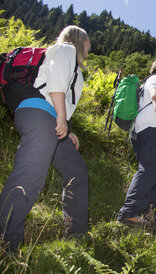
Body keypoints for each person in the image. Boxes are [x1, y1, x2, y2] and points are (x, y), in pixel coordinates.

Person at [0, 25, 91, 252]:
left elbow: (53, 88)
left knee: (76, 169)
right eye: (89, 41)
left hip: (48, 116)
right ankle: (5, 243)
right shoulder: (66, 49)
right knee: (30, 174)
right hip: (39, 113)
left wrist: (66, 129)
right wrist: (62, 118)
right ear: (80, 40)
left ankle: (76, 235)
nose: (91, 46)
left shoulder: (74, 65)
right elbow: (56, 84)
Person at [117, 56, 156, 235]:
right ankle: (129, 212)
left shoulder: (144, 83)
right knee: (150, 171)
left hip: (141, 132)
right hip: (154, 130)